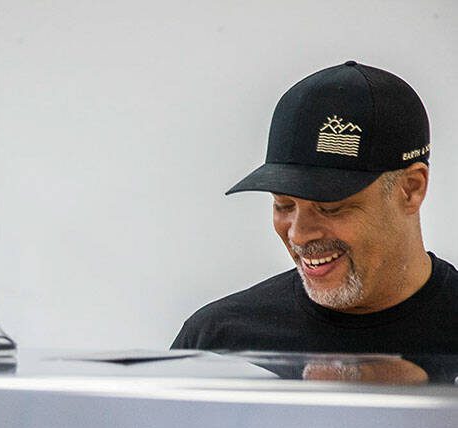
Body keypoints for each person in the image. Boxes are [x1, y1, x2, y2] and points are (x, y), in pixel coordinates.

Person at [172, 61, 457, 358]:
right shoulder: (218, 341)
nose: (299, 233)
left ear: (410, 189)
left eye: (330, 207)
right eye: (284, 204)